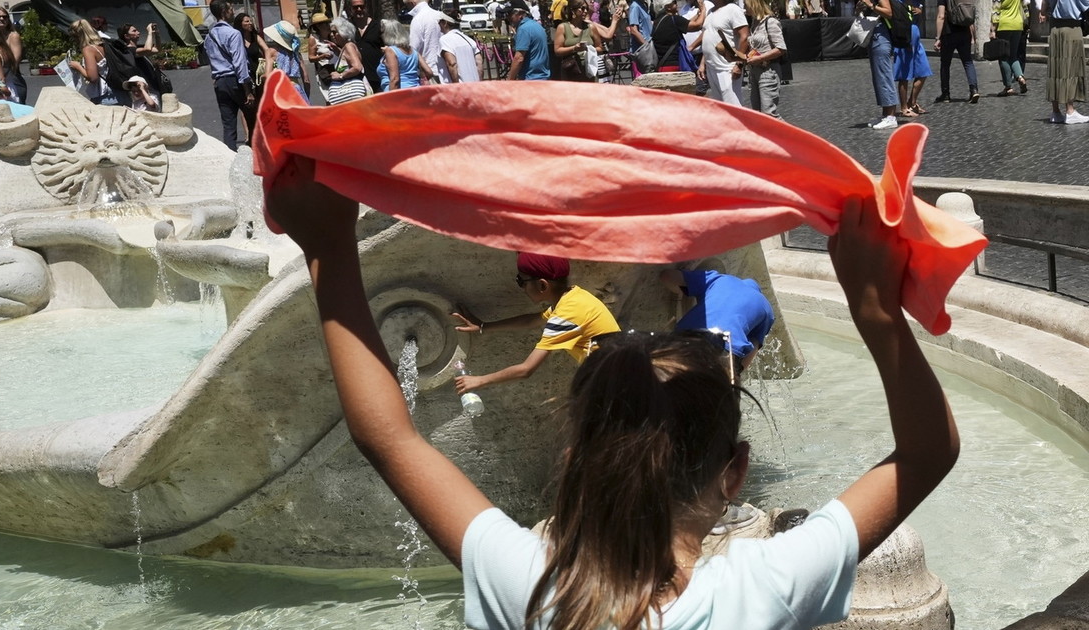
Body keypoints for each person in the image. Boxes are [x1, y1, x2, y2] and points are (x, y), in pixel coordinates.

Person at [264, 159, 960, 630]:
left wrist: (328, 247)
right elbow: (929, 452)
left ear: (573, 456)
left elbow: (388, 436)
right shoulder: (763, 587)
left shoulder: (530, 586)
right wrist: (876, 313)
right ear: (735, 474)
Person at [449, 252, 621, 394]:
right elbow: (533, 320)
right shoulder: (574, 297)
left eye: (521, 282)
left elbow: (526, 369)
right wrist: (483, 327)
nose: (521, 288)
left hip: (617, 387)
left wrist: (479, 381)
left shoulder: (567, 316)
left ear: (542, 285)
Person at [659, 267, 775, 374]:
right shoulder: (767, 309)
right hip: (722, 349)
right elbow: (754, 346)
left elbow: (667, 276)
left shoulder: (719, 279)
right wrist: (735, 373)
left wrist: (682, 294)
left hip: (684, 336)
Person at [203, 1, 254, 151]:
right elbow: (239, 63)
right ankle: (255, 155)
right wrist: (247, 90)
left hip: (220, 82)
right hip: (235, 81)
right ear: (224, 11)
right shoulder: (233, 34)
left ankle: (230, 157)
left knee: (228, 125)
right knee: (252, 119)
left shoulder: (209, 36)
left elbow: (211, 59)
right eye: (231, 8)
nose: (233, 11)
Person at [689, 0, 749, 105]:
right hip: (712, 66)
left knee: (733, 104)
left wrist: (739, 64)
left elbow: (744, 37)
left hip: (727, 67)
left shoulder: (733, 9)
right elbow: (708, 35)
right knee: (720, 104)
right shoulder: (710, 12)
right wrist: (703, 64)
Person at [1039, 0, 1088, 123]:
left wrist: (1043, 12)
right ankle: (1070, 111)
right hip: (1071, 27)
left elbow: (1044, 4)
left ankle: (1055, 112)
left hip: (1055, 29)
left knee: (1056, 68)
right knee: (1071, 67)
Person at [858, 0, 900, 129]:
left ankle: (891, 117)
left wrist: (871, 5)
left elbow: (889, 12)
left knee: (884, 75)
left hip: (882, 38)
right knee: (879, 78)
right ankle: (885, 114)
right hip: (875, 36)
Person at [67, 19, 123, 106]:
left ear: (79, 36)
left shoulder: (88, 49)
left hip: (105, 96)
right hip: (118, 92)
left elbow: (93, 78)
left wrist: (78, 66)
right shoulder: (103, 45)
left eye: (75, 37)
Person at [933, 0, 980, 104]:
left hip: (949, 33)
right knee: (968, 62)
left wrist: (937, 38)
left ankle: (945, 94)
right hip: (965, 33)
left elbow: (941, 16)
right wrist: (974, 36)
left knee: (945, 64)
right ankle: (974, 90)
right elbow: (970, 17)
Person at [745, 0, 787, 117]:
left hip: (768, 71)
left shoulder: (771, 22)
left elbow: (781, 48)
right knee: (758, 114)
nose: (744, 8)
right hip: (755, 71)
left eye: (745, 4)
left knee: (769, 114)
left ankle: (790, 135)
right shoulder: (755, 22)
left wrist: (760, 58)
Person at [893, 2, 932, 116]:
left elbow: (919, 8)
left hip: (916, 36)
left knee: (923, 70)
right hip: (904, 35)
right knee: (904, 74)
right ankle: (904, 108)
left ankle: (912, 102)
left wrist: (920, 10)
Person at [378, 19, 434, 91]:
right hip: (416, 90)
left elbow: (395, 79)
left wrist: (391, 100)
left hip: (399, 93)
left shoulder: (390, 51)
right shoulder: (413, 50)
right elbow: (429, 72)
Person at [554, 0, 604, 80]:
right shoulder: (562, 27)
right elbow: (557, 50)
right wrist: (574, 48)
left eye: (587, 9)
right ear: (573, 10)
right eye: (583, 8)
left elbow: (600, 48)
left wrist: (588, 48)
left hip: (589, 71)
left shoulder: (591, 27)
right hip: (570, 71)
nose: (585, 11)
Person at [263, 20, 311, 101]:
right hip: (296, 90)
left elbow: (268, 76)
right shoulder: (297, 53)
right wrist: (306, 97)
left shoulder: (271, 52)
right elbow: (306, 80)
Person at [0, 7, 27, 103]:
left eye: (4, 17)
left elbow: (15, 61)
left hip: (12, 80)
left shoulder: (13, 36)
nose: (1, 19)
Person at [990, 0, 1028, 96]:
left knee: (1003, 57)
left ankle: (1008, 87)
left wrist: (993, 29)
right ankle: (1020, 77)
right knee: (1013, 56)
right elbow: (1025, 7)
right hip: (1018, 25)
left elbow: (996, 10)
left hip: (1004, 25)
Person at [348, 0, 386, 92]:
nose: (359, 9)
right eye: (355, 7)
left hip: (376, 77)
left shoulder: (378, 26)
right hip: (355, 79)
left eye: (362, 6)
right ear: (351, 9)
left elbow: (387, 49)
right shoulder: (347, 26)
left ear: (367, 7)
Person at [506, 0, 550, 79]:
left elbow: (519, 58)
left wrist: (510, 80)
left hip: (530, 78)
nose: (508, 17)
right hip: (542, 77)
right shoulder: (536, 25)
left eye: (510, 14)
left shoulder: (524, 29)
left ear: (520, 14)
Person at [438, 13, 483, 83]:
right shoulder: (469, 40)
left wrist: (456, 86)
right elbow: (479, 63)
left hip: (458, 89)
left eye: (439, 22)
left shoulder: (445, 40)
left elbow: (452, 64)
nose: (438, 25)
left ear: (445, 23)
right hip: (474, 86)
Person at [649, 0, 692, 72]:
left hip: (661, 65)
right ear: (668, 7)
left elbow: (685, 23)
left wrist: (697, 15)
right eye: (674, 2)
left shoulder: (657, 21)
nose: (677, 4)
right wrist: (703, 9)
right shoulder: (674, 19)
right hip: (674, 64)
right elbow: (697, 25)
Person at [407, 0, 445, 76]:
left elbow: (413, 49)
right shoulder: (440, 15)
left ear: (412, 2)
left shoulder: (418, 19)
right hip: (444, 71)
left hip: (429, 72)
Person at [626, 0, 654, 73]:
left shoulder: (643, 5)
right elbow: (634, 30)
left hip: (648, 46)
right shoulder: (635, 6)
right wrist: (646, 46)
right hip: (643, 50)